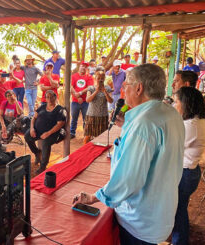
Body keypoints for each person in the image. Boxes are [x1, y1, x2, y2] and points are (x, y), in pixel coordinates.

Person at [73, 64, 185, 245]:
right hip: (160, 212)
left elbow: (129, 179)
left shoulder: (144, 124)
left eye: (127, 84)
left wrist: (96, 197)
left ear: (139, 88)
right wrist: (128, 126)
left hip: (140, 219)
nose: (123, 88)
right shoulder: (170, 113)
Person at [171, 87, 205, 245]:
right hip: (187, 172)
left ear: (186, 103)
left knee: (178, 213)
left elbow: (169, 146)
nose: (174, 105)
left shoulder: (191, 125)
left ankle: (179, 241)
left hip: (185, 174)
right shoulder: (194, 121)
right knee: (179, 209)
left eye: (176, 102)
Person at [25, 90, 66, 174]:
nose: (50, 99)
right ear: (45, 99)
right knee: (27, 136)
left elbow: (60, 124)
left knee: (45, 143)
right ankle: (37, 153)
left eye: (52, 97)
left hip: (52, 133)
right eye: (48, 97)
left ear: (55, 97)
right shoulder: (42, 106)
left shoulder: (60, 110)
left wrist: (48, 133)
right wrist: (32, 128)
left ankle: (43, 165)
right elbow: (34, 118)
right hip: (37, 130)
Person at [84, 70, 113, 143]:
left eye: (102, 78)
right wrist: (96, 91)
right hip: (91, 115)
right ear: (95, 78)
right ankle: (84, 151)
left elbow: (111, 101)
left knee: (102, 135)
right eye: (99, 78)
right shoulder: (91, 88)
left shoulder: (107, 88)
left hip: (103, 115)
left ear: (104, 79)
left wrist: (105, 92)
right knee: (88, 135)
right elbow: (87, 100)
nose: (100, 80)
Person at [70, 62, 94, 139]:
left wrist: (80, 93)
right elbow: (70, 87)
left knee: (86, 119)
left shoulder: (89, 77)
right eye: (81, 66)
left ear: (86, 68)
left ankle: (86, 134)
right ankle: (72, 132)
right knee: (74, 118)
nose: (83, 67)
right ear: (79, 67)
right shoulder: (74, 76)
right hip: (75, 101)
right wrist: (77, 97)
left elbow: (90, 87)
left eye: (84, 66)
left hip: (85, 101)